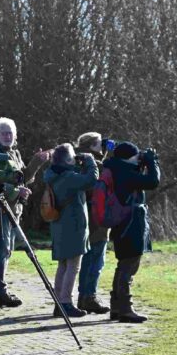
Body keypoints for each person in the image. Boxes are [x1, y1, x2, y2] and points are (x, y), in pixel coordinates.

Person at [0, 117, 49, 307]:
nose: (7, 136)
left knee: (7, 249)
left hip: (14, 209)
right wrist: (15, 191)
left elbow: (24, 178)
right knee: (1, 249)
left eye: (10, 133)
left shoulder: (15, 153)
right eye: (3, 133)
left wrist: (37, 162)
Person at [103, 142, 161, 323]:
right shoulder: (125, 173)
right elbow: (153, 181)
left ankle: (116, 306)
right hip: (131, 224)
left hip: (123, 223)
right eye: (136, 156)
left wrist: (143, 163)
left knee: (123, 265)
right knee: (129, 265)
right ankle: (125, 309)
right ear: (128, 158)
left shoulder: (117, 169)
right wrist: (152, 162)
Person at [43, 143, 99, 319]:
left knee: (63, 265)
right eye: (72, 156)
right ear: (67, 159)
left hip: (59, 226)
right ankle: (66, 303)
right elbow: (91, 180)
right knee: (73, 266)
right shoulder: (67, 177)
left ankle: (59, 303)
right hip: (73, 227)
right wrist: (91, 162)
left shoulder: (53, 175)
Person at [75, 132, 110, 313]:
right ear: (90, 146)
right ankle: (88, 296)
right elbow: (101, 183)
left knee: (90, 259)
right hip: (96, 218)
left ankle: (85, 296)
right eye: (99, 144)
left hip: (89, 217)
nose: (102, 146)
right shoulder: (93, 165)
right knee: (94, 260)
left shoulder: (79, 161)